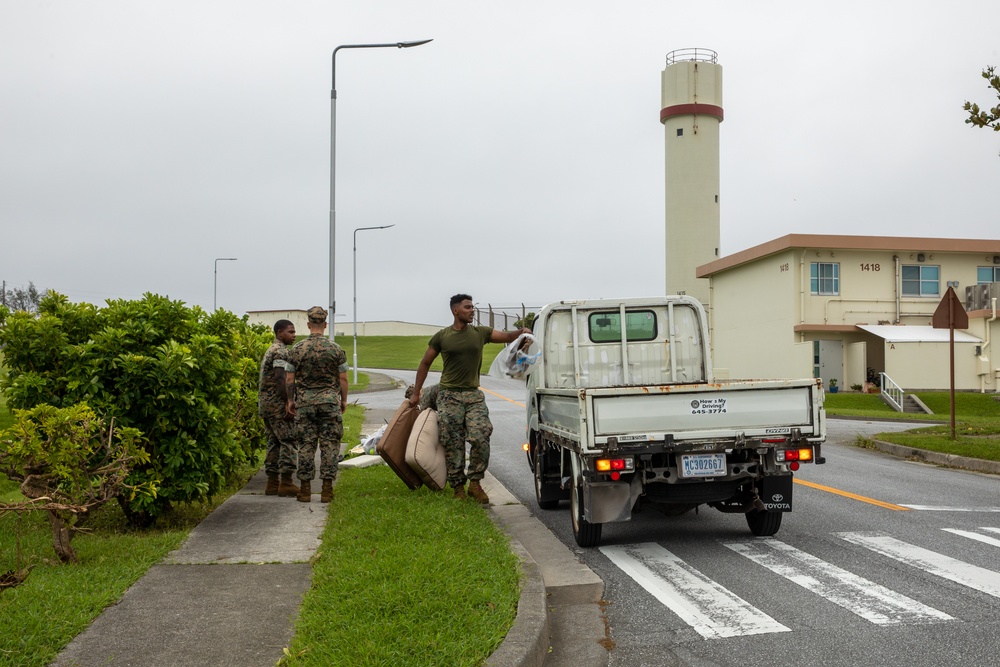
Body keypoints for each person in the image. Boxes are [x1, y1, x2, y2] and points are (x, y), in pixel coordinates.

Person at [409, 294, 529, 504]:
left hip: (473, 394)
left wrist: (521, 332)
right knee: (452, 442)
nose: (472, 310)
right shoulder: (442, 336)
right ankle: (458, 487)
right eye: (467, 307)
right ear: (456, 311)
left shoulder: (480, 333)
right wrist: (416, 392)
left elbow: (508, 336)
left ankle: (475, 483)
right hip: (449, 395)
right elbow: (425, 363)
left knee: (481, 435)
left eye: (473, 307)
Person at [286, 306, 349, 503]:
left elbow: (289, 379)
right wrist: (343, 400)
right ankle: (327, 490)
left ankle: (305, 490)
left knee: (306, 444)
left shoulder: (296, 350)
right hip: (329, 402)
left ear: (308, 324)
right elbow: (344, 379)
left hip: (305, 403)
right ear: (325, 324)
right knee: (330, 445)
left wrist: (291, 400)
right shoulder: (336, 349)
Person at [258, 319, 299, 497]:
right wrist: (288, 401)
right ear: (279, 333)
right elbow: (281, 378)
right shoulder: (281, 352)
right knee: (288, 440)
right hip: (277, 405)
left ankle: (272, 483)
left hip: (266, 405)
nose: (294, 335)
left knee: (273, 442)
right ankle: (287, 483)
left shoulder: (271, 350)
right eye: (290, 332)